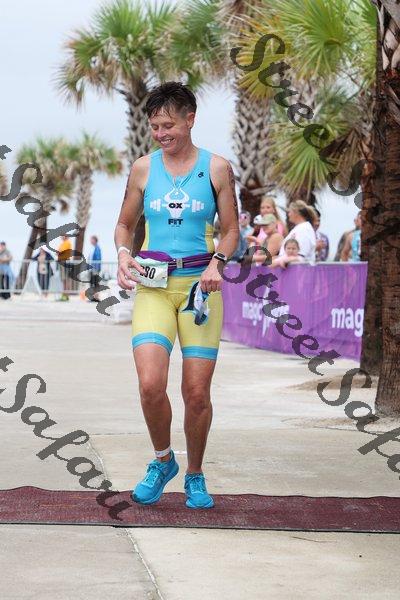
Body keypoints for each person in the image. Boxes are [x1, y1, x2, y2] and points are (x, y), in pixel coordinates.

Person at [114, 81, 239, 509]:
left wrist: (217, 263)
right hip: (153, 287)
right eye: (154, 127)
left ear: (190, 120)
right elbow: (125, 224)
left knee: (196, 393)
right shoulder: (143, 169)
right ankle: (163, 460)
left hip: (199, 291)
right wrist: (123, 255)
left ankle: (195, 474)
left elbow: (232, 230)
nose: (161, 133)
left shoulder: (217, 168)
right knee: (151, 384)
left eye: (168, 125)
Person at [57, 235, 73, 301]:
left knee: (66, 279)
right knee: (64, 280)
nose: (61, 237)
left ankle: (66, 295)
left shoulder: (67, 243)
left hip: (65, 262)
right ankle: (64, 295)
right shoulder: (62, 243)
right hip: (62, 262)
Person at [88, 235, 102, 301]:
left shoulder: (97, 248)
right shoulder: (92, 248)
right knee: (92, 282)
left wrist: (97, 268)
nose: (90, 241)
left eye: (91, 239)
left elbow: (98, 258)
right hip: (91, 268)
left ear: (95, 240)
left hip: (95, 268)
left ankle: (96, 297)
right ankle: (93, 297)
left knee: (95, 282)